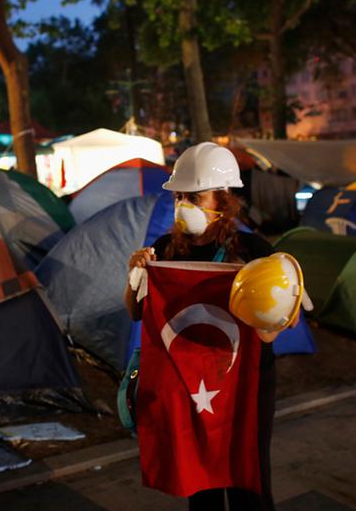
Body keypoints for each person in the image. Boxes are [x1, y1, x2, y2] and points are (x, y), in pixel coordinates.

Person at [124, 142, 281, 511]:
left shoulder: (254, 250)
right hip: (190, 384)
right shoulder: (165, 249)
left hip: (246, 384)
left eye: (194, 196)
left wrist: (254, 291)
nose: (184, 205)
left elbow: (270, 333)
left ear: (222, 199)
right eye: (179, 196)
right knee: (200, 482)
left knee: (248, 482)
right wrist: (134, 276)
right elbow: (135, 312)